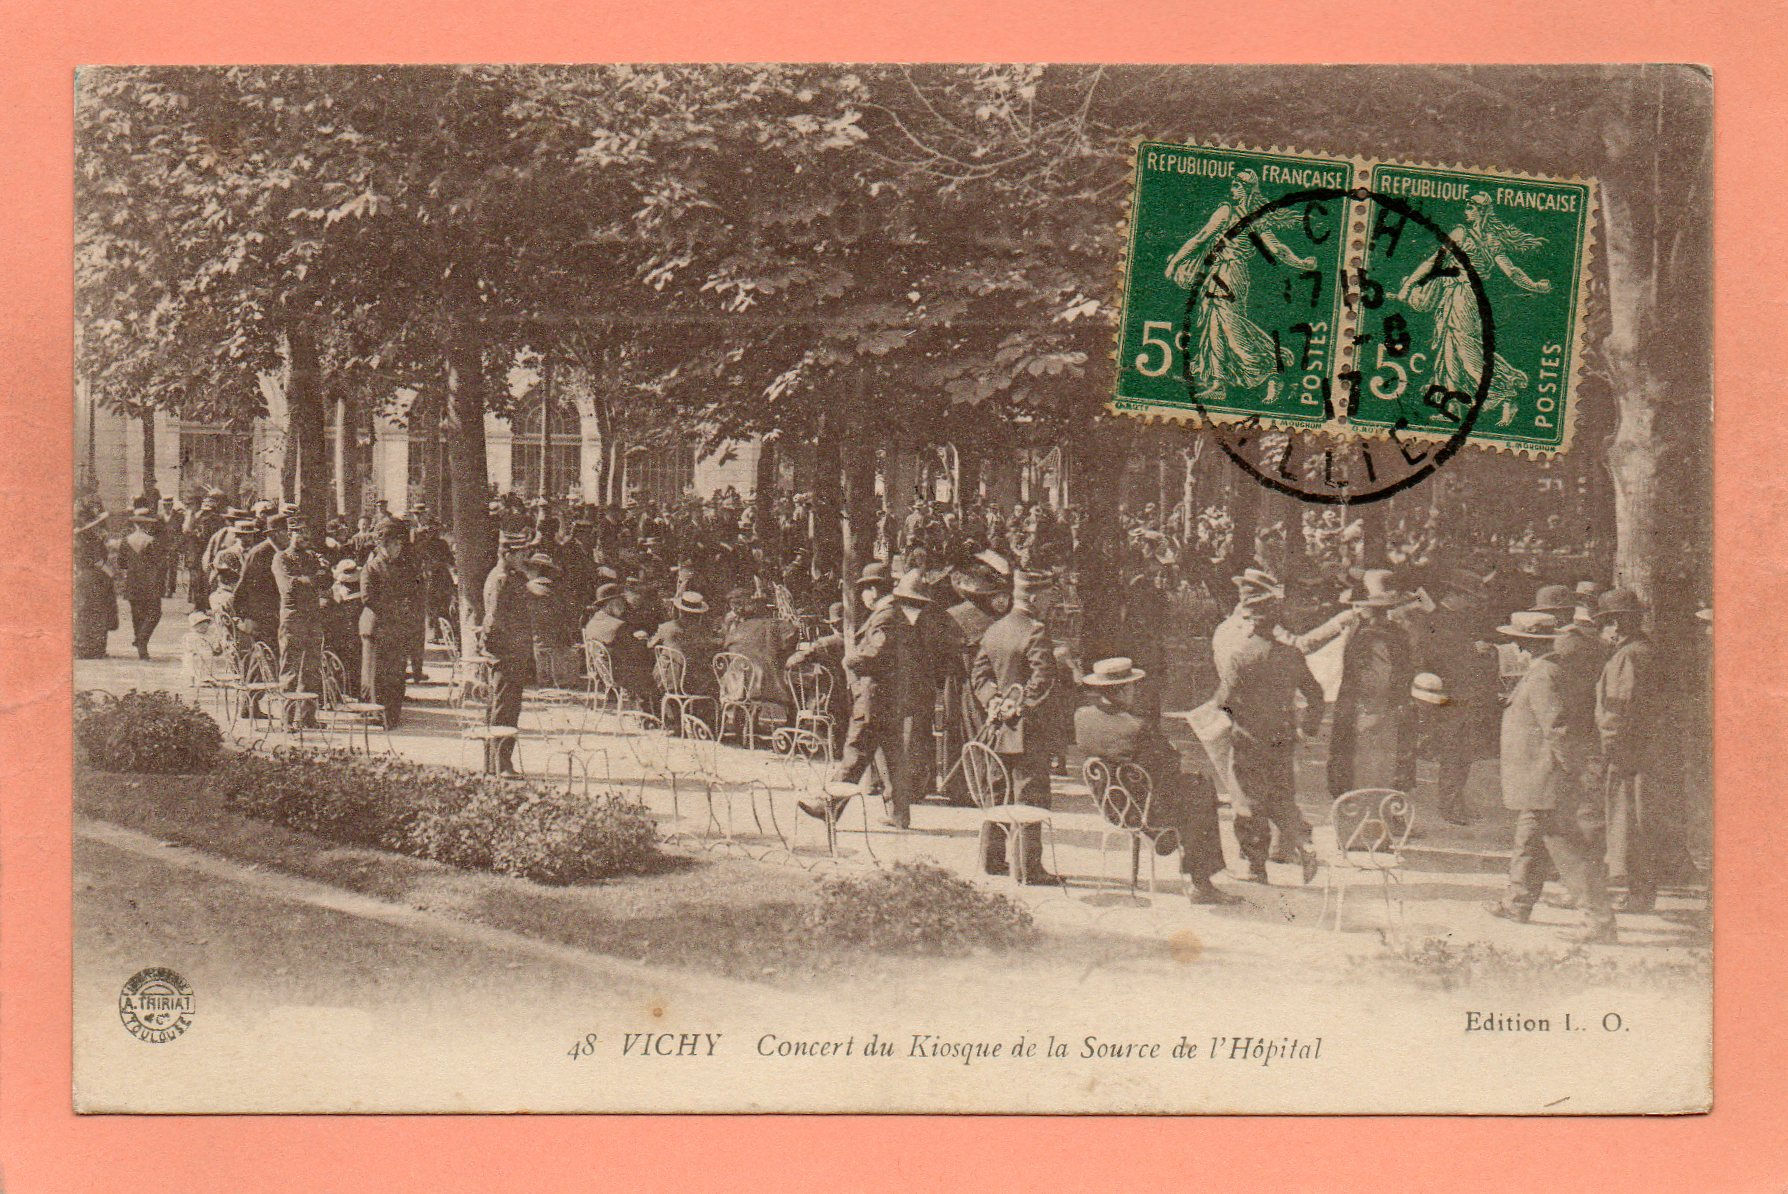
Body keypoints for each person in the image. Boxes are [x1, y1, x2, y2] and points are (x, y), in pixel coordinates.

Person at [1486, 609, 1617, 944]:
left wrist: (1575, 772)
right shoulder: (1549, 670)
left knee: (1568, 848)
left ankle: (1598, 921)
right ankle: (1517, 902)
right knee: (1529, 838)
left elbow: (1556, 727)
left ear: (1526, 645)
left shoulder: (1544, 674)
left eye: (1517, 642)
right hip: (1539, 776)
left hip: (1548, 776)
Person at [1076, 657, 1239, 904]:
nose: (1135, 692)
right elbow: (1169, 766)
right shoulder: (1137, 726)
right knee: (1201, 790)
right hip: (1145, 810)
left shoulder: (1082, 717)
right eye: (1132, 687)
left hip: (1112, 805)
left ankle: (1174, 846)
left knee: (1193, 788)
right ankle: (1201, 882)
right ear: (1123, 690)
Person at [1208, 569, 1323, 885]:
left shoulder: (1241, 657)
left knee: (1248, 802)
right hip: (1283, 737)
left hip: (1248, 738)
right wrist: (1307, 729)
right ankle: (1302, 841)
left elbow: (1224, 700)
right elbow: (1316, 694)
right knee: (1281, 796)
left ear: (1250, 621)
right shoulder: (1291, 654)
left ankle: (1256, 868)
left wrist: (1235, 716)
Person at [1594, 588, 1688, 914]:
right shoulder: (1651, 651)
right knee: (1644, 821)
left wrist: (1608, 750)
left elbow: (1617, 710)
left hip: (1630, 754)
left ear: (1617, 624)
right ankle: (1641, 892)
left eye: (1608, 623)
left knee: (1631, 823)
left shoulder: (1627, 657)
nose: (1607, 630)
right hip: (1654, 750)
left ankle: (1639, 894)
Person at [1411, 567, 1502, 824]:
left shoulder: (1456, 619)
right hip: (1446, 697)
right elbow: (1435, 657)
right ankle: (1450, 805)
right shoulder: (1436, 620)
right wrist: (1473, 651)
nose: (1473, 604)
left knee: (1463, 752)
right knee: (1454, 752)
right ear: (1456, 595)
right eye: (1470, 598)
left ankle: (1456, 801)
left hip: (1461, 695)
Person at [972, 569, 1063, 815]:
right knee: (1029, 808)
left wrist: (992, 701)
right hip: (1029, 732)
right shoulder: (1035, 631)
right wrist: (1017, 705)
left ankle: (993, 844)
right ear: (1034, 599)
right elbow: (1043, 678)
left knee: (996, 805)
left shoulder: (994, 629)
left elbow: (979, 675)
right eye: (1048, 597)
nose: (1050, 603)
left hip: (996, 731)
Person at [1326, 569, 1417, 798]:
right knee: (1376, 765)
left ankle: (1368, 806)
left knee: (1368, 765)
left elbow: (1377, 679)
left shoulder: (1370, 634)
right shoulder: (1388, 632)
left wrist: (1370, 710)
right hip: (1379, 709)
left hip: (1369, 710)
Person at [937, 555, 1011, 804]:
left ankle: (964, 787)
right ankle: (983, 786)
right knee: (982, 730)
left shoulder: (955, 615)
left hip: (964, 682)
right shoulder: (993, 618)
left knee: (965, 730)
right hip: (981, 682)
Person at [480, 547, 557, 776]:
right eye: (519, 554)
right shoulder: (501, 580)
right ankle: (501, 764)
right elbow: (494, 620)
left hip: (510, 654)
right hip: (508, 655)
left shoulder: (506, 577)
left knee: (501, 707)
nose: (524, 559)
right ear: (506, 554)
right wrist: (503, 649)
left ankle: (493, 763)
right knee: (505, 710)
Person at [359, 518, 420, 728]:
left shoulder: (401, 567)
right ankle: (376, 713)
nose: (399, 548)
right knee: (376, 673)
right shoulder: (371, 567)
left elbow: (410, 591)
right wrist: (394, 608)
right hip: (377, 627)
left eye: (400, 544)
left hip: (396, 627)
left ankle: (393, 714)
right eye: (395, 544)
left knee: (396, 672)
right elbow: (367, 598)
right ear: (383, 546)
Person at [272, 517, 327, 720]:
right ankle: (287, 718)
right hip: (293, 618)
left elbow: (325, 580)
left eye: (306, 532)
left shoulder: (312, 557)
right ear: (289, 534)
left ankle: (307, 717)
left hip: (312, 616)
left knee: (312, 668)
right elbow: (289, 586)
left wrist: (311, 578)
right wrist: (312, 580)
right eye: (299, 532)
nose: (304, 536)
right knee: (291, 668)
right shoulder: (281, 558)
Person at [584, 582, 654, 706]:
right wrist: (645, 641)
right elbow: (632, 651)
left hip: (600, 671)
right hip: (616, 674)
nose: (624, 605)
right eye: (620, 602)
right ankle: (647, 706)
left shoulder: (594, 621)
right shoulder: (618, 626)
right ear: (610, 603)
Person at [114, 507, 166, 660]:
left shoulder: (126, 541)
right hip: (150, 581)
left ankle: (141, 649)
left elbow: (121, 563)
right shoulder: (152, 541)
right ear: (147, 524)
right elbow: (159, 563)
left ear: (135, 524)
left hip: (132, 581)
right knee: (154, 612)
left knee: (137, 615)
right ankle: (142, 640)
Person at [74, 532, 118, 659]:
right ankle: (97, 648)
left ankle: (84, 647)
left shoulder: (81, 541)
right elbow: (97, 561)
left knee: (86, 613)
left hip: (84, 579)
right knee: (99, 613)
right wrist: (110, 572)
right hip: (96, 578)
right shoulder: (94, 543)